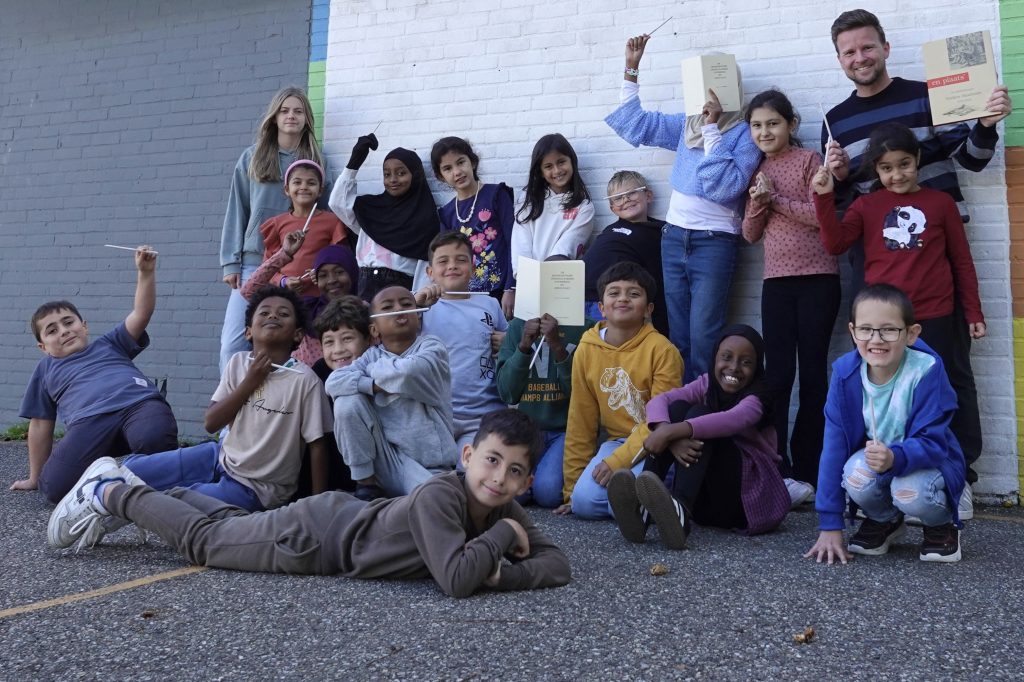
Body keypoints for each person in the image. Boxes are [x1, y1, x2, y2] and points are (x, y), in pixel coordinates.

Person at [47, 409, 572, 598]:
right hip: (313, 540)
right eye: (492, 460)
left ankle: (162, 500)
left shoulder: (500, 503)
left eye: (515, 471)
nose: (499, 478)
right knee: (207, 543)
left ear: (526, 482)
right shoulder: (442, 494)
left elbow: (558, 564)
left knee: (229, 522)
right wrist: (503, 539)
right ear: (468, 456)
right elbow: (457, 579)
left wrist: (501, 575)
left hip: (334, 522)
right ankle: (111, 491)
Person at [813, 122, 984, 520]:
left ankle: (957, 478)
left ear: (918, 159)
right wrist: (823, 197)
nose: (897, 175)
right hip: (884, 325)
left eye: (904, 164)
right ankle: (888, 483)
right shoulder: (865, 206)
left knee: (951, 391)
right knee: (889, 399)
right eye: (886, 168)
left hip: (937, 315)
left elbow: (961, 261)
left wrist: (973, 312)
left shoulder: (941, 203)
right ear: (876, 169)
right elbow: (835, 243)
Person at [605, 34, 760, 381]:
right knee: (678, 337)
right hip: (674, 238)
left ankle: (705, 408)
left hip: (714, 242)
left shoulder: (745, 135)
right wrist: (631, 68)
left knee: (704, 337)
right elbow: (636, 124)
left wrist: (712, 129)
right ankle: (680, 405)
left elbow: (723, 186)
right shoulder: (688, 125)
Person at [120, 286, 332, 515]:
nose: (273, 316)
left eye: (283, 314)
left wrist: (316, 506)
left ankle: (124, 506)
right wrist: (250, 381)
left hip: (257, 488)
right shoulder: (238, 363)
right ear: (248, 332)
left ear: (297, 334)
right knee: (132, 468)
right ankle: (110, 501)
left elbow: (318, 445)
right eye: (264, 312)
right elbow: (211, 423)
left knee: (177, 504)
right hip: (221, 457)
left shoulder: (305, 380)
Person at [804, 284, 966, 565]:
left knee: (909, 490)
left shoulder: (926, 370)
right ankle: (885, 520)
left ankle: (940, 524)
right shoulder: (845, 374)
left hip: (930, 461)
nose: (876, 339)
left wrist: (895, 457)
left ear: (911, 333)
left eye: (889, 330)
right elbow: (833, 447)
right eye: (866, 329)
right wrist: (830, 524)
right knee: (854, 473)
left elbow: (933, 441)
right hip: (881, 459)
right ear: (853, 331)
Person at [13, 247, 178, 502]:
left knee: (154, 439)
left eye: (69, 322)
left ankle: (157, 479)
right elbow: (40, 425)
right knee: (53, 488)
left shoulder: (110, 343)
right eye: (52, 330)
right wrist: (35, 478)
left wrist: (145, 273)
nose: (64, 331)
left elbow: (141, 314)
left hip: (138, 405)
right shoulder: (45, 371)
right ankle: (117, 480)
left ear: (84, 326)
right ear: (43, 347)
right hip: (88, 424)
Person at [822, 9, 1011, 225]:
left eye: (867, 47)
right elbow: (840, 204)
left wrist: (985, 125)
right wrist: (840, 178)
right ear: (840, 60)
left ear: (886, 48)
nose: (860, 58)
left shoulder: (928, 96)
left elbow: (973, 161)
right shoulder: (834, 122)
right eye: (849, 52)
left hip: (938, 234)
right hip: (877, 240)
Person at [741, 89, 839, 504]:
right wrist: (757, 203)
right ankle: (777, 466)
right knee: (778, 376)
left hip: (818, 280)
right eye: (756, 126)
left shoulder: (809, 161)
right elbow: (750, 234)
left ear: (791, 124)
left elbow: (820, 217)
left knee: (814, 374)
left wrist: (774, 199)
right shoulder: (756, 170)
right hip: (776, 283)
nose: (764, 132)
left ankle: (810, 468)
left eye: (772, 123)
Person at [607, 325, 789, 550]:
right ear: (714, 358)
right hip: (707, 506)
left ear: (757, 367)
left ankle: (680, 509)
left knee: (701, 416)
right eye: (726, 357)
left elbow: (730, 420)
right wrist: (664, 429)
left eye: (746, 362)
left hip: (747, 502)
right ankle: (643, 511)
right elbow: (659, 401)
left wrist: (669, 434)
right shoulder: (707, 383)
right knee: (677, 408)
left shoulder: (758, 397)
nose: (734, 367)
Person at [559, 261, 682, 518]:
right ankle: (640, 505)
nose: (623, 299)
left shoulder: (662, 350)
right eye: (614, 293)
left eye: (633, 294)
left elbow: (659, 421)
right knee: (583, 503)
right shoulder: (587, 349)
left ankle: (660, 493)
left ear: (648, 309)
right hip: (616, 442)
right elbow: (581, 419)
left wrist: (617, 463)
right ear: (601, 307)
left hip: (657, 443)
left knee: (623, 504)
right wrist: (572, 489)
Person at [219, 87, 329, 373]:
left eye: (298, 111)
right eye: (285, 110)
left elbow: (325, 215)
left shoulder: (318, 160)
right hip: (255, 263)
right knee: (233, 345)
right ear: (274, 117)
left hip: (297, 270)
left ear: (307, 119)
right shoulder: (252, 157)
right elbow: (237, 208)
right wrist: (230, 261)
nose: (291, 116)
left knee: (294, 347)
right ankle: (232, 403)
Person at [326, 286, 456, 500]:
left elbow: (408, 373)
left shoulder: (432, 347)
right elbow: (333, 382)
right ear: (374, 330)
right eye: (387, 307)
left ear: (418, 317)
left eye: (406, 304)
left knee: (439, 502)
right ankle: (366, 485)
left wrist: (371, 372)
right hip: (386, 460)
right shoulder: (371, 356)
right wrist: (372, 385)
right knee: (346, 402)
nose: (398, 309)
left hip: (430, 466)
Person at [417, 232, 508, 454]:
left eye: (461, 260)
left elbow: (510, 347)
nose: (452, 266)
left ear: (473, 267)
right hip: (437, 415)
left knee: (471, 466)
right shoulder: (420, 307)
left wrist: (507, 343)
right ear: (430, 272)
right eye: (443, 261)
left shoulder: (490, 304)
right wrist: (416, 305)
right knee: (440, 468)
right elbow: (396, 334)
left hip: (484, 415)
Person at [328, 134, 440, 300]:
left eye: (401, 173)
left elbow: (424, 270)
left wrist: (417, 304)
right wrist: (354, 162)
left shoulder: (424, 219)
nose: (393, 180)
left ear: (415, 175)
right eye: (387, 174)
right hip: (365, 291)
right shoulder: (371, 211)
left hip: (400, 295)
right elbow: (337, 203)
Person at [496, 312, 590, 508]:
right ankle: (533, 478)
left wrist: (557, 346)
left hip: (565, 430)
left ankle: (537, 479)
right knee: (512, 494)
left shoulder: (586, 327)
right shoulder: (518, 325)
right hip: (527, 431)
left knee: (548, 493)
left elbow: (582, 396)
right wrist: (523, 346)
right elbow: (508, 393)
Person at [293, 294, 374, 498]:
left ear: (369, 338)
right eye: (329, 342)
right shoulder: (318, 373)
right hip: (331, 469)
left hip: (376, 469)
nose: (338, 350)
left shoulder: (378, 368)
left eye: (347, 339)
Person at [241, 234, 360, 367]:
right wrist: (284, 254)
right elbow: (248, 290)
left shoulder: (365, 310)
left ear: (353, 272)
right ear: (316, 280)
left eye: (339, 272)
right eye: (323, 275)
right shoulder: (305, 309)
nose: (332, 280)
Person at [432, 136, 516, 319]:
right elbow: (448, 257)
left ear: (473, 161)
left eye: (461, 162)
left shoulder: (496, 195)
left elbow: (514, 242)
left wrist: (511, 287)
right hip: (468, 298)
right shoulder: (446, 214)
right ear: (440, 176)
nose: (457, 172)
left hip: (502, 293)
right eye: (447, 168)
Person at [582, 171, 668, 336]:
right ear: (612, 208)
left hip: (610, 302)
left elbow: (657, 279)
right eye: (618, 198)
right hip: (579, 296)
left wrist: (662, 328)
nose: (626, 200)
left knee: (610, 347)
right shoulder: (611, 229)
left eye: (632, 193)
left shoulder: (659, 231)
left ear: (648, 195)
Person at [258, 159, 348, 297]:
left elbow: (340, 258)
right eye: (297, 182)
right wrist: (283, 281)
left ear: (320, 190)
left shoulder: (333, 221)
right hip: (287, 297)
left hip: (319, 296)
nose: (304, 187)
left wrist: (322, 271)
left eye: (311, 183)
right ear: (287, 189)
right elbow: (268, 265)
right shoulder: (277, 223)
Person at [511, 133, 594, 279]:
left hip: (562, 279)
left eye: (561, 162)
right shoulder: (528, 200)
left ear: (572, 161)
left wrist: (548, 275)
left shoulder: (584, 207)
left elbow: (567, 246)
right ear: (541, 172)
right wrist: (524, 275)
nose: (557, 171)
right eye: (548, 166)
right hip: (529, 278)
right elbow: (521, 243)